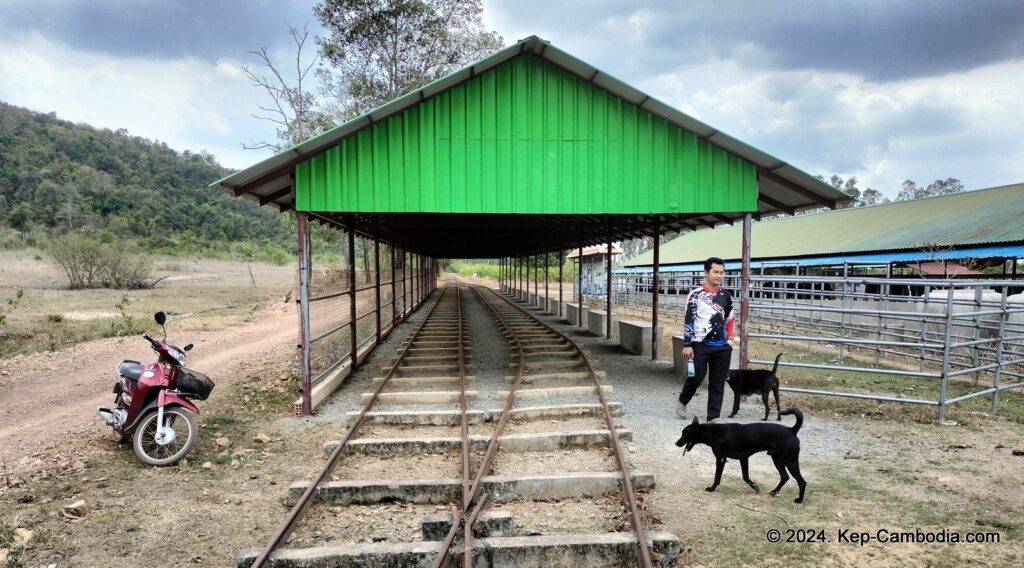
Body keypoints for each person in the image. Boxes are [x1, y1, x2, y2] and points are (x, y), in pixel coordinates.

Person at [677, 257, 735, 421]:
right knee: (696, 377)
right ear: (706, 273)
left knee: (717, 383)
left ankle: (713, 417)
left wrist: (730, 340)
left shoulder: (726, 296)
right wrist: (687, 344)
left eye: (722, 273)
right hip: (699, 345)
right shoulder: (695, 294)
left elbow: (730, 319)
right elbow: (689, 320)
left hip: (722, 346)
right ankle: (682, 400)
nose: (719, 276)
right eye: (715, 272)